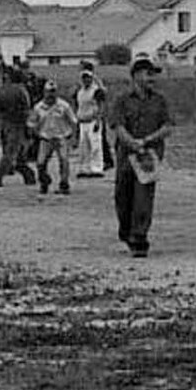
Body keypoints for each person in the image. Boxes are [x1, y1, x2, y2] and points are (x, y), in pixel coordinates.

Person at [109, 57, 171, 257]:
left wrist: (148, 140)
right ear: (136, 76)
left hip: (149, 156)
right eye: (148, 73)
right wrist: (132, 143)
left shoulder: (160, 100)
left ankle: (140, 238)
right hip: (127, 155)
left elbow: (167, 126)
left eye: (153, 74)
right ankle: (126, 230)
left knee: (144, 197)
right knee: (123, 196)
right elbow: (118, 127)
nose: (152, 78)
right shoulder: (122, 100)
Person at [30, 80, 77, 194]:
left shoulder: (64, 106)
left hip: (61, 138)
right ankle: (44, 181)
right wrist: (35, 134)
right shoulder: (38, 107)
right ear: (44, 92)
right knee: (40, 163)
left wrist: (74, 138)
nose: (51, 94)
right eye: (48, 92)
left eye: (53, 92)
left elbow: (73, 122)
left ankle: (64, 184)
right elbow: (32, 123)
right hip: (46, 139)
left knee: (64, 160)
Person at [0, 63, 34, 187]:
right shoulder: (21, 90)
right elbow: (27, 110)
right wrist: (30, 127)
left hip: (5, 125)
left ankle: (28, 175)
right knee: (12, 153)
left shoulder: (1, 90)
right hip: (17, 125)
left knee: (15, 152)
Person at [72, 67, 110, 178]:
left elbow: (101, 106)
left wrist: (98, 120)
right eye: (83, 78)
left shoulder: (96, 90)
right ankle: (84, 168)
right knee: (83, 146)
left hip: (93, 121)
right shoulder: (80, 92)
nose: (85, 80)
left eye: (87, 77)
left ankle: (97, 168)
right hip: (82, 121)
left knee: (95, 146)